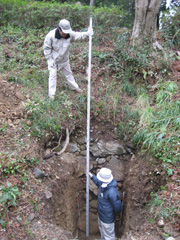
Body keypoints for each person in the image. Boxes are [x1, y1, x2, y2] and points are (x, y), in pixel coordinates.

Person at [43, 19, 93, 99]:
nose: (65, 34)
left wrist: (87, 34)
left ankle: (75, 88)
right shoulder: (51, 35)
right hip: (53, 60)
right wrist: (49, 59)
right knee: (52, 76)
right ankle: (51, 95)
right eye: (64, 32)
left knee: (69, 74)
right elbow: (46, 48)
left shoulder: (70, 34)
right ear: (59, 29)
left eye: (67, 32)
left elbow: (78, 36)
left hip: (64, 60)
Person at [89, 168, 122, 240]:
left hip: (107, 219)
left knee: (109, 236)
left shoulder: (112, 192)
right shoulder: (103, 184)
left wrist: (116, 214)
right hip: (101, 215)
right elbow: (98, 182)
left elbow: (117, 206)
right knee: (102, 231)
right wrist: (92, 176)